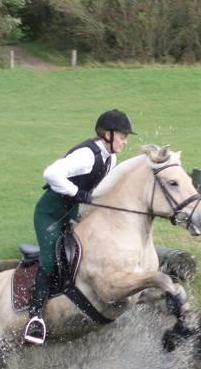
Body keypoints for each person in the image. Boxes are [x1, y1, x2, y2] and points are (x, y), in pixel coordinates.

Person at [23, 109, 136, 345]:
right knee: (52, 259)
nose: (125, 141)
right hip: (50, 214)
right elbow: (51, 173)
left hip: (71, 213)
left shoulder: (110, 158)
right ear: (107, 134)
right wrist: (78, 193)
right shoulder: (87, 155)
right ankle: (35, 318)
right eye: (123, 136)